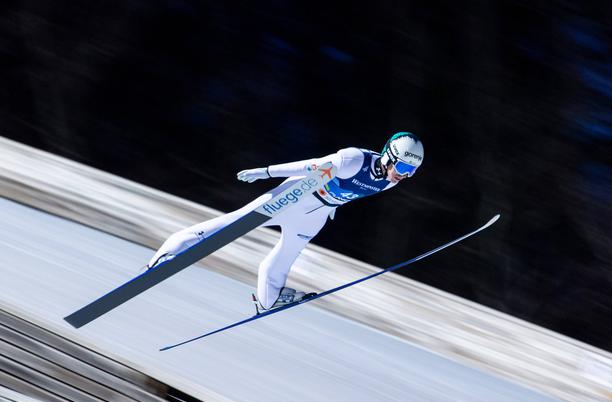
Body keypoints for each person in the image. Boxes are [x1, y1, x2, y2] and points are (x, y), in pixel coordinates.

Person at [146, 132, 424, 311]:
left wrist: (331, 207)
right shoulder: (354, 159)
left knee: (287, 254)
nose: (403, 175)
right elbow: (310, 166)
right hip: (295, 196)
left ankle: (269, 297)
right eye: (402, 167)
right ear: (389, 156)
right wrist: (266, 172)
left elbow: (350, 193)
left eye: (411, 172)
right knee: (232, 226)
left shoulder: (390, 182)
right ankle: (169, 253)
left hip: (316, 213)